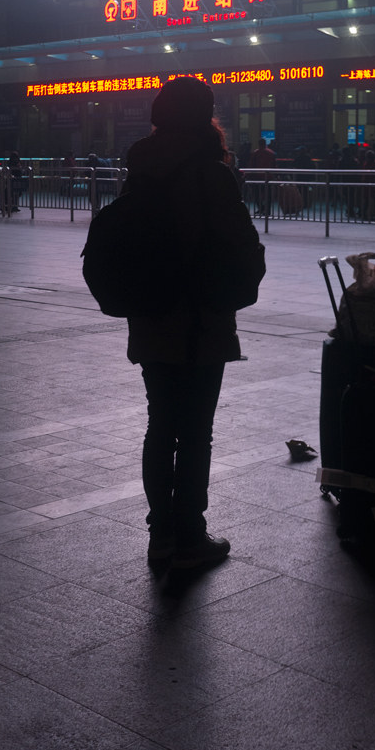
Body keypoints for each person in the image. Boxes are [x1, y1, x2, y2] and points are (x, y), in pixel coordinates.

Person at [124, 76, 262, 569]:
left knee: (160, 425)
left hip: (150, 317)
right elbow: (244, 249)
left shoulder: (140, 167)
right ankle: (191, 535)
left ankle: (160, 535)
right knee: (195, 430)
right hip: (201, 320)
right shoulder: (210, 173)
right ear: (204, 116)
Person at [250, 137, 276, 215]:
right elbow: (274, 165)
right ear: (265, 144)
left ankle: (261, 208)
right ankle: (267, 210)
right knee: (268, 194)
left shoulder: (256, 153)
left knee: (256, 194)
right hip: (268, 176)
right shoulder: (271, 153)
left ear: (259, 144)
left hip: (257, 176)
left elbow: (252, 164)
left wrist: (250, 174)